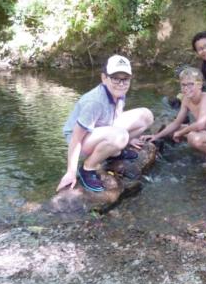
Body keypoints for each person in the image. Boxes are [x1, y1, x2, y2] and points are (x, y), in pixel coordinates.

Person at [57, 54, 154, 192]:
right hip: (80, 138)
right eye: (115, 78)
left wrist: (128, 139)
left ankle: (115, 151)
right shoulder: (94, 102)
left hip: (101, 129)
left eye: (125, 79)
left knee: (146, 116)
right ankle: (88, 167)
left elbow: (116, 117)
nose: (121, 83)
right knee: (120, 136)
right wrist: (70, 172)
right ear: (104, 78)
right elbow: (75, 138)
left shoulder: (119, 92)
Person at [142, 67, 206, 168]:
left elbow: (200, 124)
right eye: (183, 85)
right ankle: (202, 146)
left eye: (190, 84)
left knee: (193, 137)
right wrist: (156, 136)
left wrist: (181, 133)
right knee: (174, 128)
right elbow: (177, 122)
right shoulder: (186, 99)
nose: (186, 88)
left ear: (199, 85)